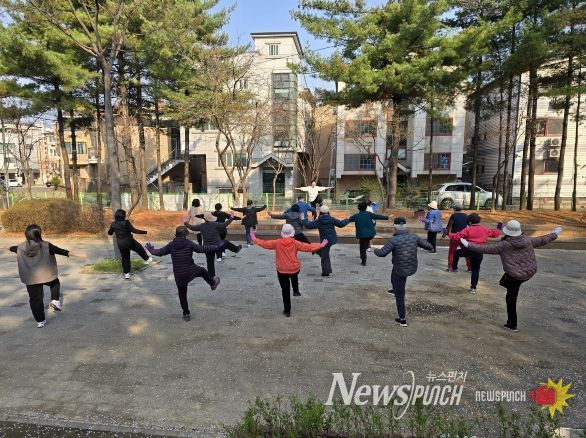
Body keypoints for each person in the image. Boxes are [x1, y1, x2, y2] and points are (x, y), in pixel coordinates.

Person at [461, 221, 561, 332]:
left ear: (507, 232)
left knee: (511, 298)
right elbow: (544, 239)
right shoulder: (528, 240)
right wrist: (555, 233)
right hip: (529, 272)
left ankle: (512, 324)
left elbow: (485, 249)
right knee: (509, 281)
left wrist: (468, 244)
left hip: (515, 275)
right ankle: (506, 284)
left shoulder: (504, 245)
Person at [8, 224, 85, 328]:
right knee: (55, 282)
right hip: (46, 276)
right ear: (39, 234)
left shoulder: (20, 247)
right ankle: (55, 300)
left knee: (35, 300)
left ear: (26, 235)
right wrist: (77, 254)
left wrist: (8, 247)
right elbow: (61, 251)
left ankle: (40, 321)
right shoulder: (46, 245)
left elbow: (12, 248)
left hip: (31, 279)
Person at [145, 226, 221, 322]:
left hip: (179, 274)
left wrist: (152, 251)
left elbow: (160, 252)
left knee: (182, 294)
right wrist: (215, 247)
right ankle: (213, 284)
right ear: (186, 235)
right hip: (191, 269)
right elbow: (201, 249)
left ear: (176, 235)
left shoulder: (171, 245)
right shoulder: (188, 243)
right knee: (202, 271)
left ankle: (186, 314)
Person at [251, 225, 326, 317]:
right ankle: (296, 290)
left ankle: (287, 311)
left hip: (282, 270)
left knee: (285, 290)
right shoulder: (295, 243)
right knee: (294, 274)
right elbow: (308, 247)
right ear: (292, 233)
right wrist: (320, 245)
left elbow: (265, 244)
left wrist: (254, 239)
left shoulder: (277, 242)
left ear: (282, 233)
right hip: (294, 269)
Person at [374, 217, 433, 327]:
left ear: (394, 226)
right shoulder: (414, 237)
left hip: (400, 269)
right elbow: (429, 246)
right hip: (411, 267)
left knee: (400, 295)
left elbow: (382, 253)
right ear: (405, 226)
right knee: (394, 276)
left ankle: (402, 319)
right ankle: (394, 289)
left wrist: (375, 250)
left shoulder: (394, 240)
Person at [448, 213, 501, 293]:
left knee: (456, 253)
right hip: (479, 251)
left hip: (469, 249)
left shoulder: (468, 229)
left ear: (470, 222)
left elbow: (457, 236)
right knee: (475, 270)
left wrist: (448, 234)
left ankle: (454, 267)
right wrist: (499, 227)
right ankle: (473, 287)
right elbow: (495, 234)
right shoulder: (484, 229)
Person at [302, 205, 349, 277]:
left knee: (325, 256)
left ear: (320, 212)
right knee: (324, 253)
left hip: (325, 241)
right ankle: (317, 251)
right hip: (331, 239)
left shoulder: (319, 221)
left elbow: (308, 226)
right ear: (328, 211)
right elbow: (341, 224)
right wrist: (348, 219)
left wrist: (303, 219)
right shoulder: (331, 219)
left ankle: (326, 272)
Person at [108, 209, 152, 279]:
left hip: (121, 244)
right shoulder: (126, 222)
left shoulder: (113, 224)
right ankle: (147, 259)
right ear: (123, 216)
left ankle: (126, 274)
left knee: (125, 258)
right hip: (130, 242)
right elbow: (134, 230)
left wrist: (112, 229)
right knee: (139, 248)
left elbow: (109, 233)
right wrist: (145, 232)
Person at [347, 201, 389, 266]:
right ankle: (367, 246)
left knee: (362, 248)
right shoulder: (369, 214)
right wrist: (386, 217)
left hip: (362, 235)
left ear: (358, 208)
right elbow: (378, 216)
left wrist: (346, 219)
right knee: (366, 241)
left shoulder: (356, 216)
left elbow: (349, 219)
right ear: (366, 208)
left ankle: (364, 261)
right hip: (371, 234)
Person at [443, 203, 471, 272]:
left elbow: (449, 226)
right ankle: (470, 267)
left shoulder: (454, 215)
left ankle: (451, 267)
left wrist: (445, 234)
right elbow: (469, 225)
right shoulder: (465, 215)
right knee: (466, 252)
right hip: (464, 236)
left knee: (452, 252)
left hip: (455, 236)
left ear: (454, 209)